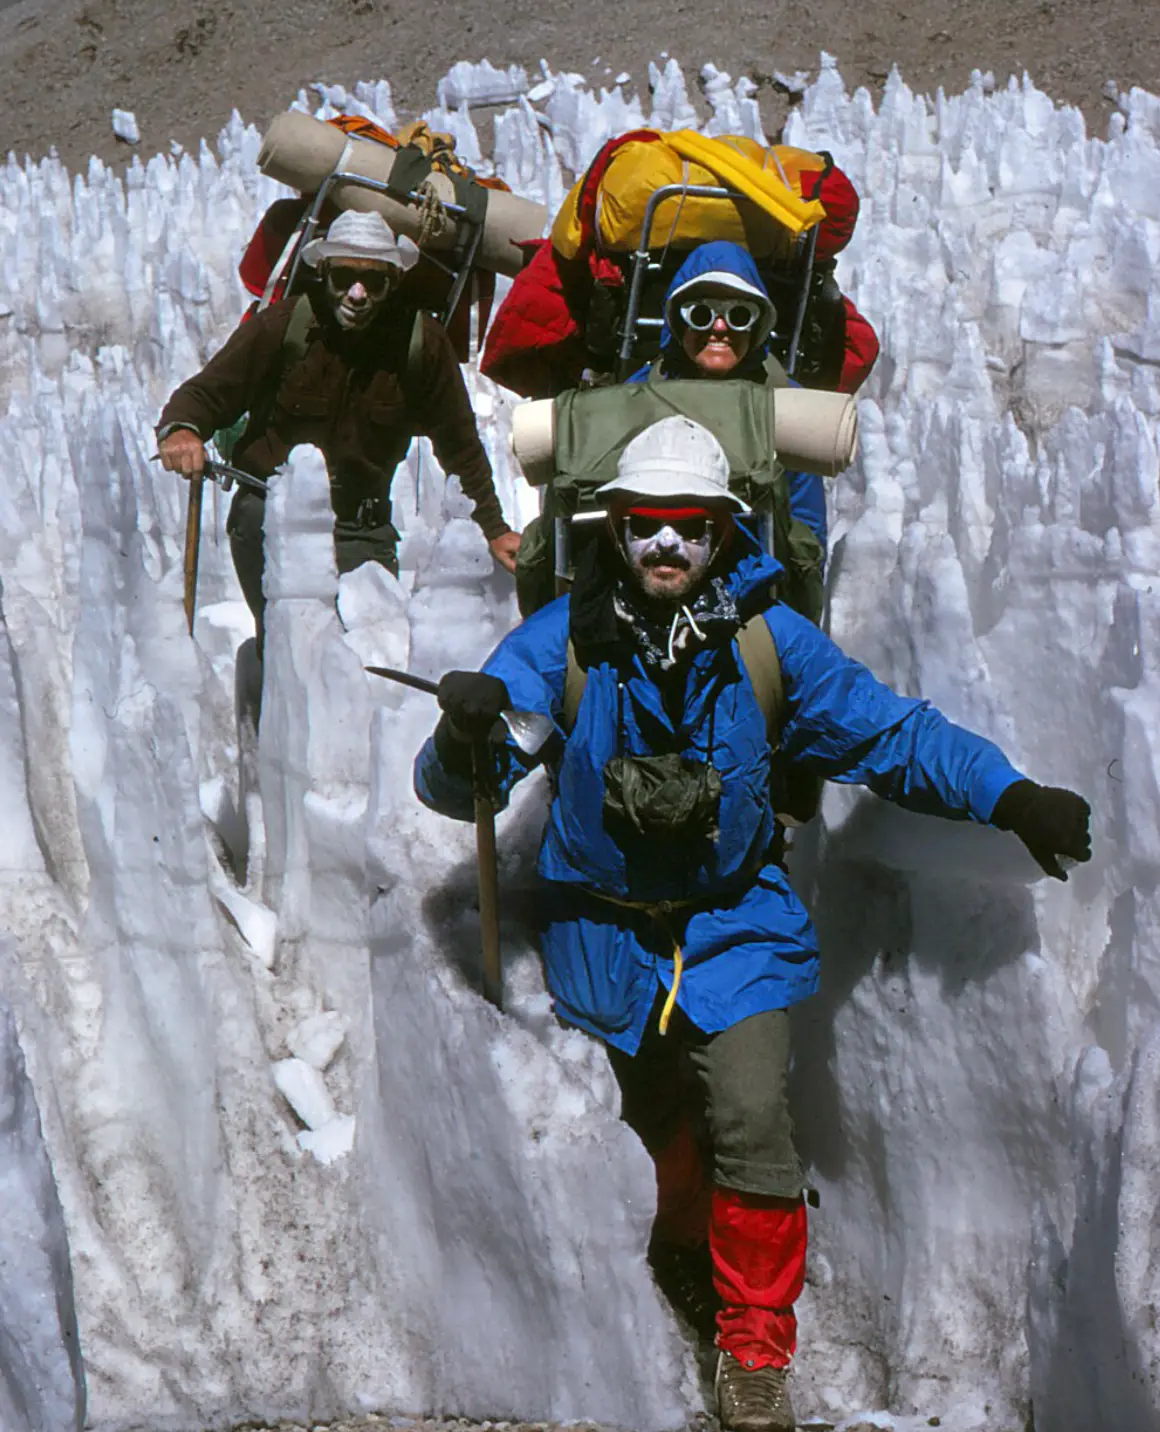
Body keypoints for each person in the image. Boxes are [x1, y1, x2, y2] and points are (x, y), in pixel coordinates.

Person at [412, 416, 1092, 1432]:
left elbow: (890, 734)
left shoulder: (768, 643)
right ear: (614, 527)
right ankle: (678, 1247)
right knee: (648, 1132)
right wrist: (461, 736)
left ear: (723, 531)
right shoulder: (562, 639)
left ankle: (756, 1351)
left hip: (735, 927)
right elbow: (458, 782)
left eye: (689, 527)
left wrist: (1008, 796)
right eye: (645, 525)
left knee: (751, 1120)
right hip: (602, 938)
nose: (666, 546)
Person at [156, 210, 521, 648]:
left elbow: (459, 445)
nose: (358, 293)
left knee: (368, 648)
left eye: (374, 281)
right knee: (291, 646)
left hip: (361, 528)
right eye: (345, 277)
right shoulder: (281, 327)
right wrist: (182, 430)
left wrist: (493, 528)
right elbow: (207, 394)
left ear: (393, 282)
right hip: (271, 517)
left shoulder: (421, 344)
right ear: (324, 274)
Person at [634, 239, 828, 602]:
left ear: (758, 326)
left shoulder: (785, 401)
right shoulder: (638, 396)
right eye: (701, 314)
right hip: (654, 571)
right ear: (677, 321)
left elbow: (807, 523)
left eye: (739, 315)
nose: (720, 328)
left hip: (752, 584)